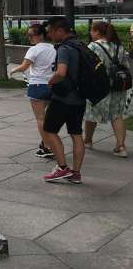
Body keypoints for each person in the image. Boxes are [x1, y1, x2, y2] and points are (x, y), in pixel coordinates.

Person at [42, 16, 86, 184]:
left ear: (60, 31)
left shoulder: (64, 48)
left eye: (51, 32)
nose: (49, 35)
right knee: (76, 134)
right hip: (80, 98)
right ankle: (76, 173)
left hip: (63, 98)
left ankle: (62, 168)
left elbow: (61, 72)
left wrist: (51, 81)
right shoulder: (80, 45)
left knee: (49, 130)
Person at [9, 24, 56, 158]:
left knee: (40, 118)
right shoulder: (53, 48)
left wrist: (13, 70)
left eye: (31, 35)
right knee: (48, 118)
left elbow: (24, 67)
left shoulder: (34, 49)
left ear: (40, 35)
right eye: (28, 35)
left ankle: (47, 146)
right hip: (52, 85)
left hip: (37, 86)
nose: (29, 38)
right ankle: (47, 142)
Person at [85, 21, 129, 157]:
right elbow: (125, 65)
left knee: (91, 113)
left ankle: (88, 141)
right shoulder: (118, 46)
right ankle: (121, 147)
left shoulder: (93, 46)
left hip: (99, 86)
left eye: (92, 30)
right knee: (117, 115)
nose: (90, 33)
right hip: (118, 85)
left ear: (98, 32)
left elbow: (87, 66)